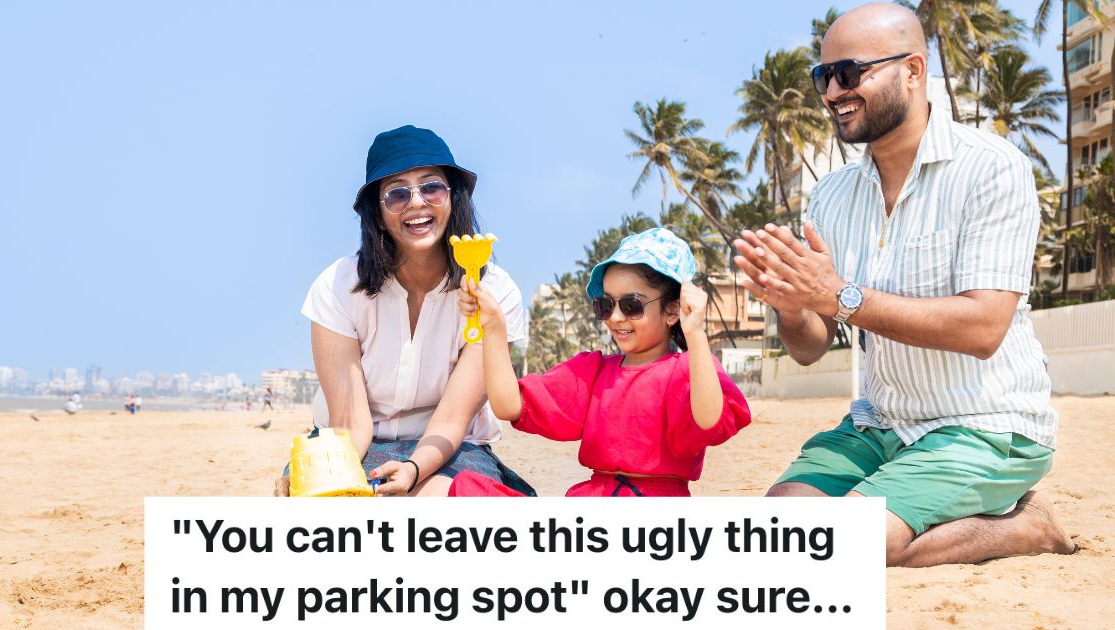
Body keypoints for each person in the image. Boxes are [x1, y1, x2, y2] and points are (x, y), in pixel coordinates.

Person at [732, 3, 1074, 567]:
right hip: (879, 422)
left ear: (912, 70)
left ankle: (1028, 527)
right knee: (778, 533)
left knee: (850, 544)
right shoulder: (832, 195)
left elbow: (984, 328)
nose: (832, 92)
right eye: (823, 76)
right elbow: (811, 347)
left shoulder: (991, 167)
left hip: (987, 425)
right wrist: (792, 305)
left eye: (849, 73)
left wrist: (838, 295)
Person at [273, 125, 532, 498]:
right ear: (378, 214)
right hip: (355, 440)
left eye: (432, 187)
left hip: (452, 445)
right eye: (397, 193)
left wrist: (412, 470)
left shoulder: (494, 290)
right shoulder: (337, 286)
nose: (416, 203)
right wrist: (339, 483)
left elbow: (453, 419)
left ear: (454, 197)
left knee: (438, 504)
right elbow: (349, 422)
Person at [449, 228, 751, 497]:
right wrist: (494, 327)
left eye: (631, 305)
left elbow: (710, 421)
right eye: (605, 305)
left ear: (672, 310)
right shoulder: (594, 371)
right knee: (468, 486)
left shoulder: (687, 368)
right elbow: (509, 405)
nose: (615, 317)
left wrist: (695, 333)